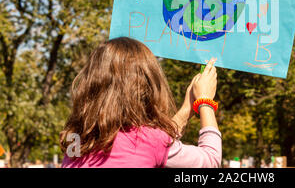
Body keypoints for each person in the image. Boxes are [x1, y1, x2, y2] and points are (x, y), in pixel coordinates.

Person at [60, 37, 221, 168]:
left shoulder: (76, 140)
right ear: (146, 86)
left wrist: (186, 109)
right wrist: (204, 102)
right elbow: (211, 161)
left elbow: (154, 145)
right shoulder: (150, 140)